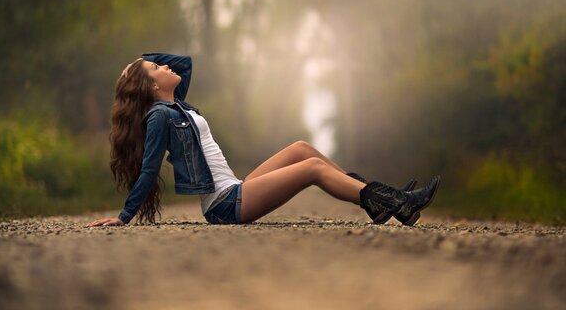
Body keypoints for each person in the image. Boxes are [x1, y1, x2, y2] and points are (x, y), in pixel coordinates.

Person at [87, 53, 440, 228]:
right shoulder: (160, 116)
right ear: (151, 87)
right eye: (157, 69)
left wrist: (141, 63)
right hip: (225, 205)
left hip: (237, 188)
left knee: (302, 148)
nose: (166, 67)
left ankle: (375, 203)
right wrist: (124, 216)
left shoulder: (178, 105)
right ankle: (393, 201)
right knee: (312, 168)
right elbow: (149, 169)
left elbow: (184, 64)